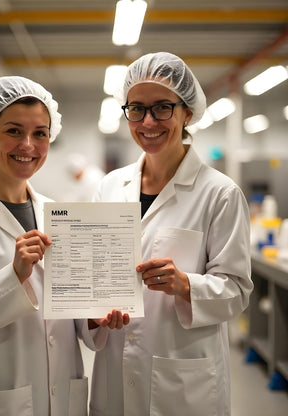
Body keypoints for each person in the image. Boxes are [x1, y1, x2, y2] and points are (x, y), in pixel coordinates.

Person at [0, 76, 128, 416]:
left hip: (60, 395)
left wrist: (92, 317)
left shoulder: (56, 214)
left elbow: (67, 315)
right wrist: (13, 276)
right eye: (14, 131)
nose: (28, 145)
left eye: (40, 133)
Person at [89, 52, 254, 416]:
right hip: (116, 368)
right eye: (137, 108)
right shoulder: (110, 187)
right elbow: (96, 276)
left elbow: (238, 290)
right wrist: (93, 313)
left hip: (183, 379)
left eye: (163, 107)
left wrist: (185, 285)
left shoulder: (219, 194)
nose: (148, 121)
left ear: (187, 113)